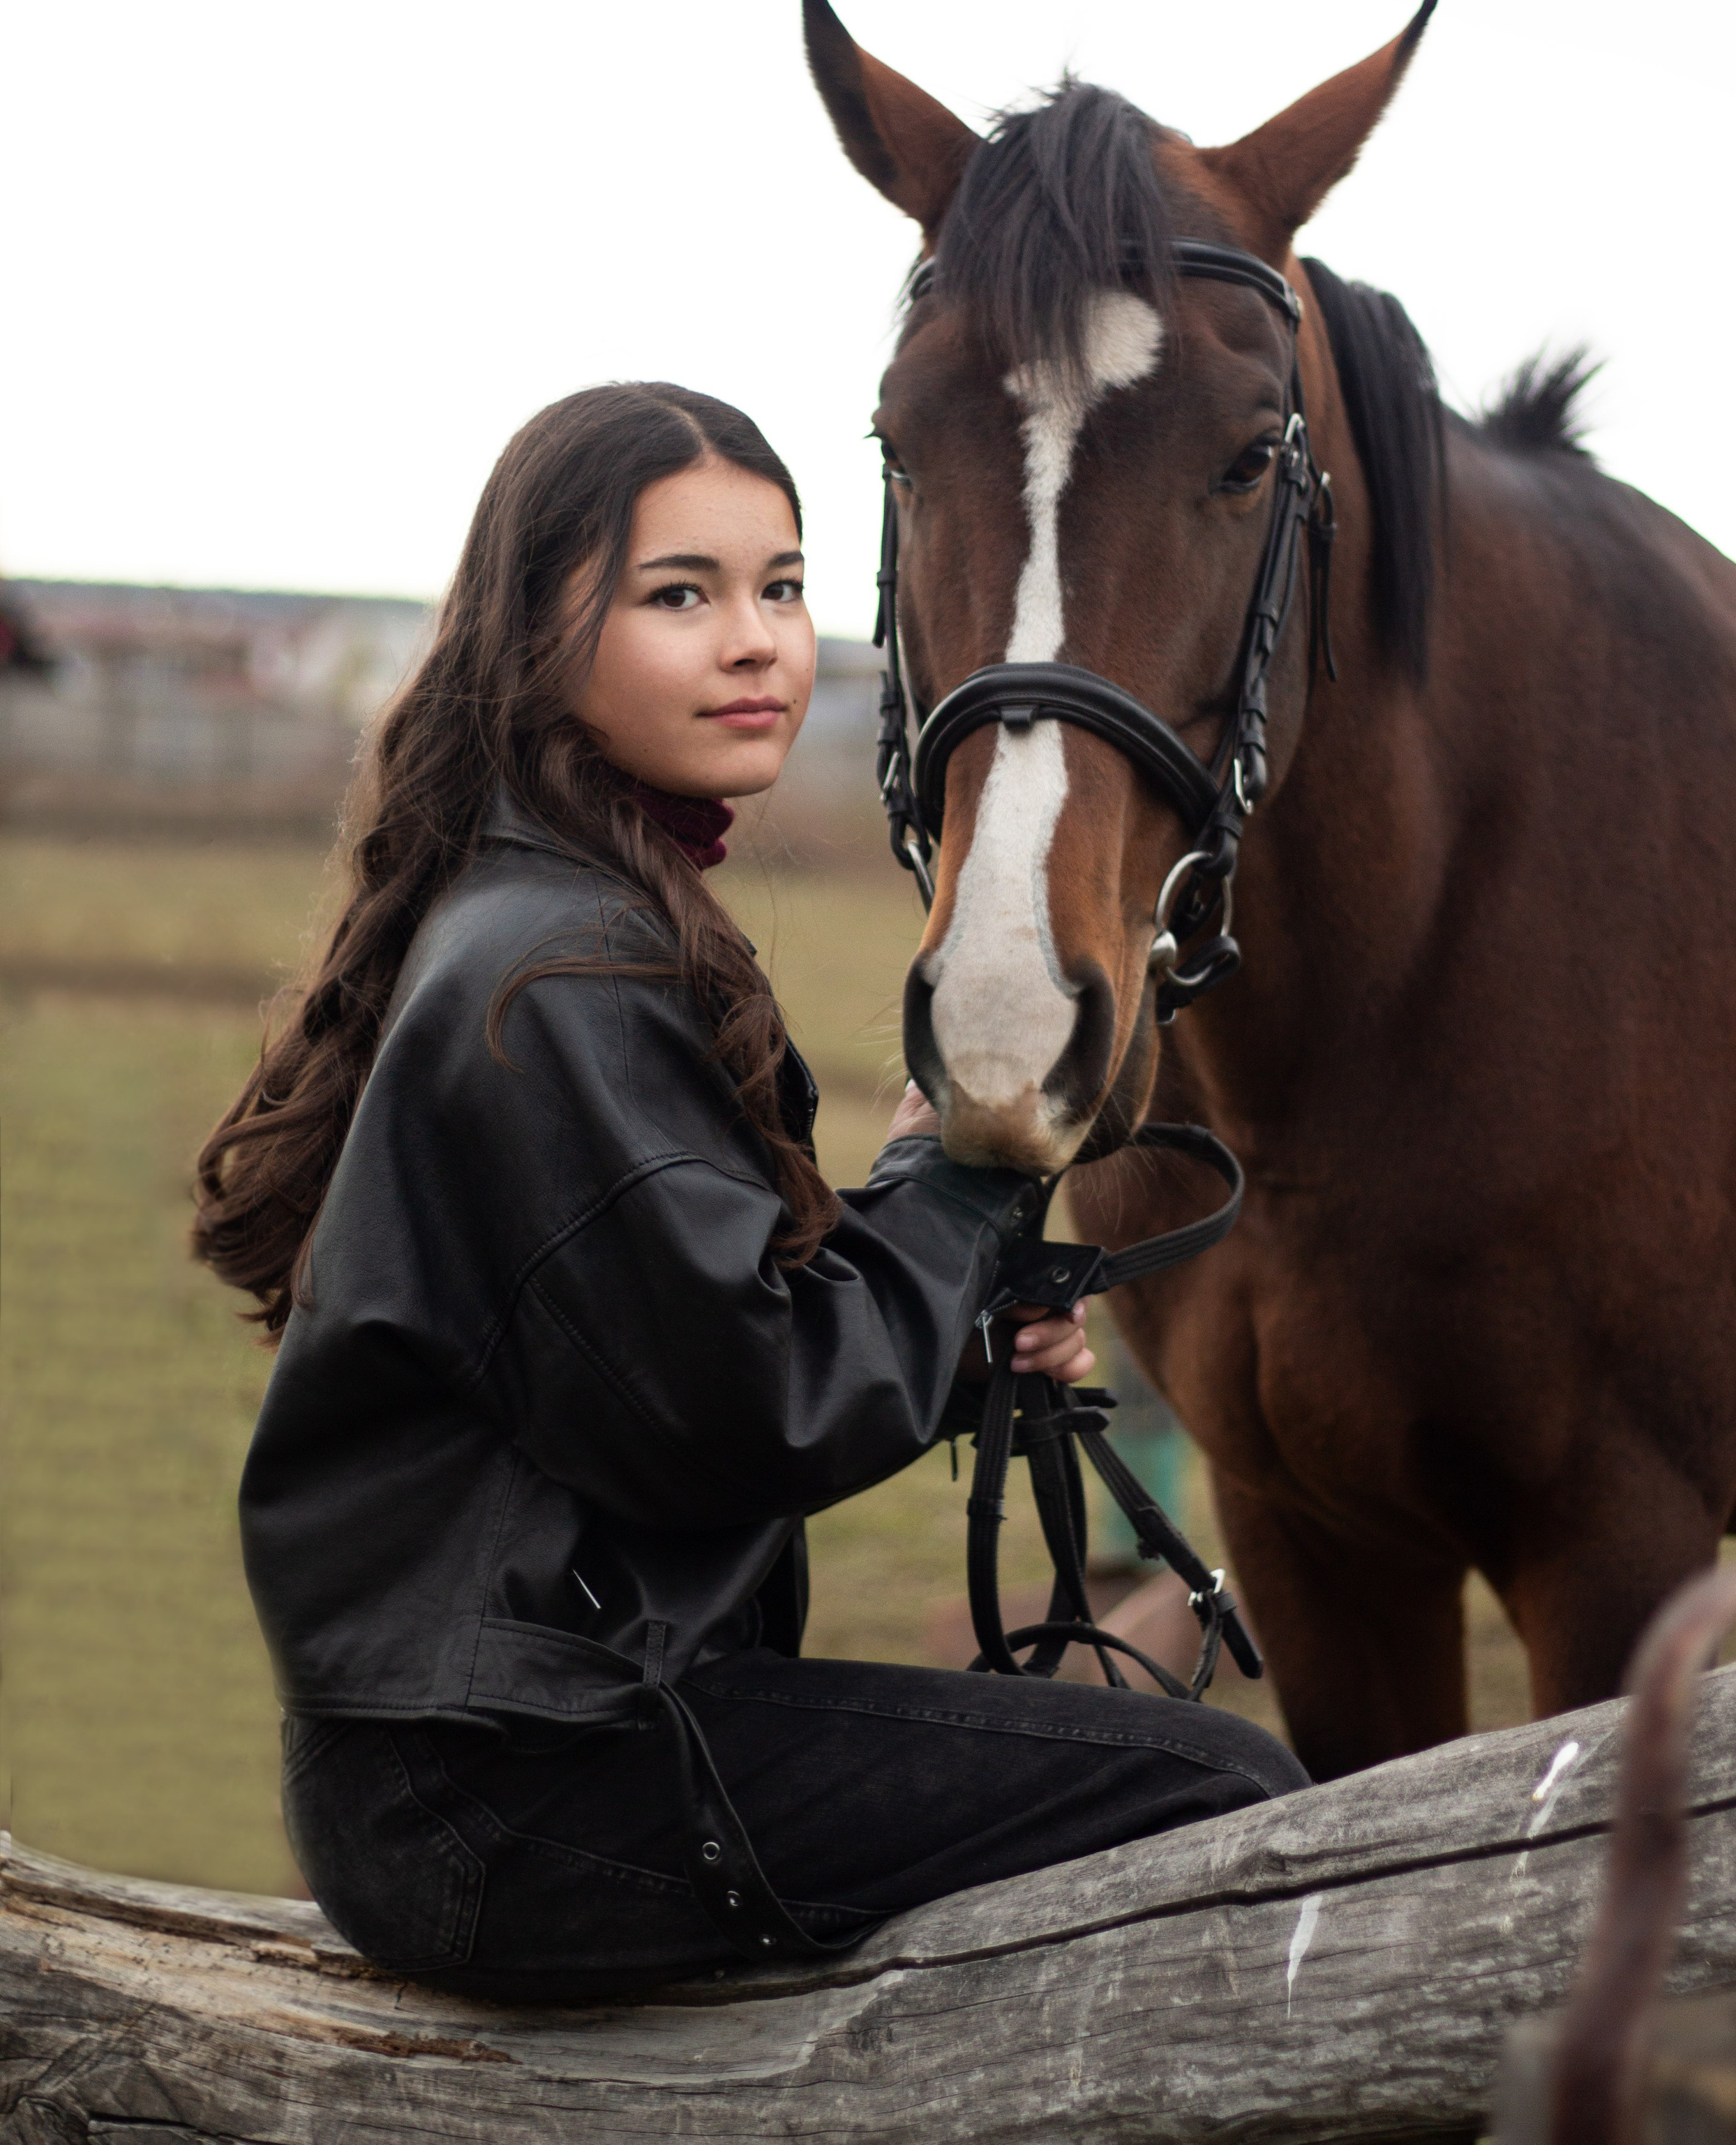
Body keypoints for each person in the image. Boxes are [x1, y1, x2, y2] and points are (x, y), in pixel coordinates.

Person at [194, 381, 1306, 2001]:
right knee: (1219, 1798)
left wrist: (947, 1347)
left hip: (496, 1755)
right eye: (678, 595)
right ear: (535, 629)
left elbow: (655, 1358)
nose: (754, 641)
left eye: (780, 587)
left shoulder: (564, 909)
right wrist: (957, 1182)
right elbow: (755, 1402)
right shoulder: (559, 968)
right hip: (508, 1789)